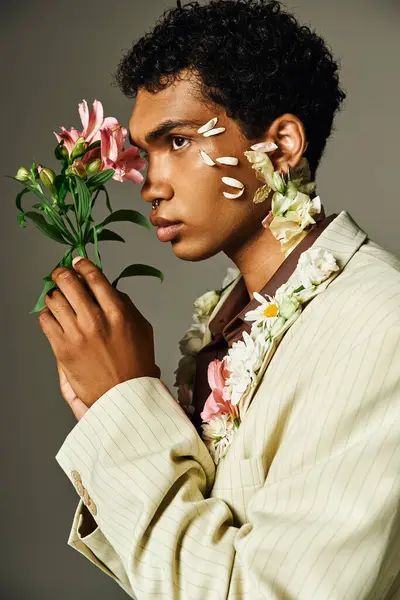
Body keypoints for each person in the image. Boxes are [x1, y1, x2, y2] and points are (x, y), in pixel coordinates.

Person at [40, 1, 400, 598]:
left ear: (280, 147)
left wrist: (124, 404)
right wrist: (114, 410)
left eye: (178, 140)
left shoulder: (380, 326)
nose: (151, 185)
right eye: (145, 151)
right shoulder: (225, 331)